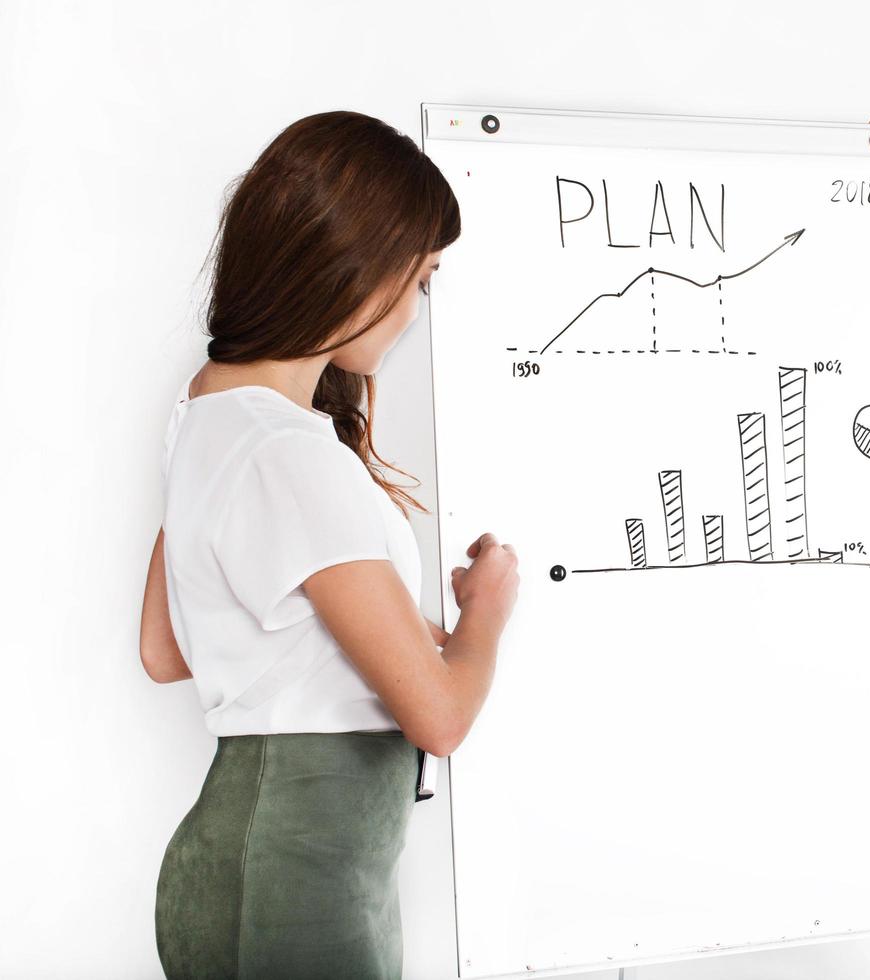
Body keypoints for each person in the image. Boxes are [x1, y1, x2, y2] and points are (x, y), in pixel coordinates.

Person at [138, 110, 520, 979]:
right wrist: (483, 616)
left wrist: (403, 627)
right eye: (420, 279)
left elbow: (166, 650)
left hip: (238, 867)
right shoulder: (289, 451)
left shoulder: (204, 420)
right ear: (358, 267)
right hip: (299, 884)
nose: (419, 309)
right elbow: (441, 717)